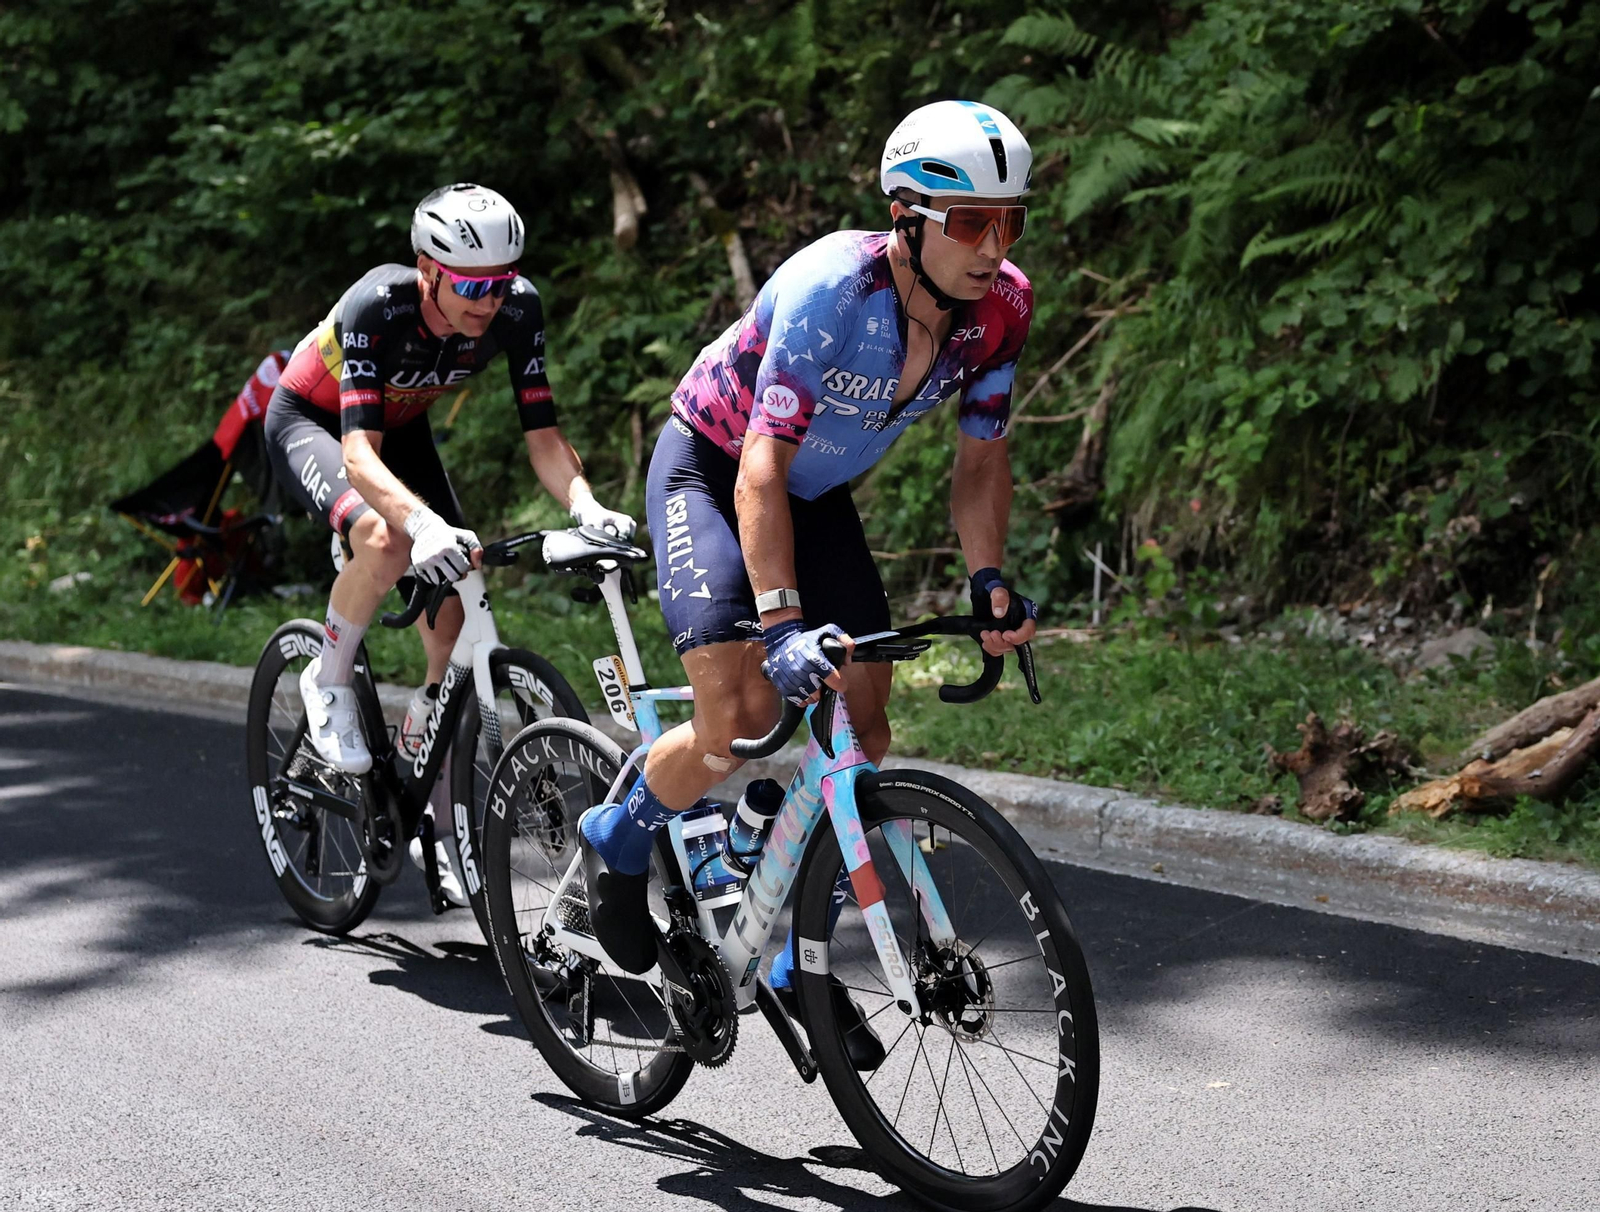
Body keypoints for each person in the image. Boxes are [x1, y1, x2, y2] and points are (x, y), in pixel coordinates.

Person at [579, 101, 1040, 1067]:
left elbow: (982, 460)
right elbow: (756, 469)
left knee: (864, 728)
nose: (993, 245)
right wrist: (782, 622)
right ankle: (619, 833)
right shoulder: (836, 289)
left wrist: (989, 579)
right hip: (715, 468)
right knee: (740, 719)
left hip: (816, 492)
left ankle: (796, 942)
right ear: (906, 216)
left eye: (1011, 221)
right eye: (971, 223)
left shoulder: (1001, 311)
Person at [264, 183, 633, 897]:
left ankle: (431, 783)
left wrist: (584, 502)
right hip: (314, 423)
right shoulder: (379, 304)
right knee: (385, 539)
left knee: (457, 606)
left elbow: (545, 436)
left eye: (499, 283)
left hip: (402, 432)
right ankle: (328, 678)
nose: (488, 301)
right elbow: (360, 454)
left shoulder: (517, 309)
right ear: (426, 267)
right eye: (470, 284)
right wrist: (419, 522)